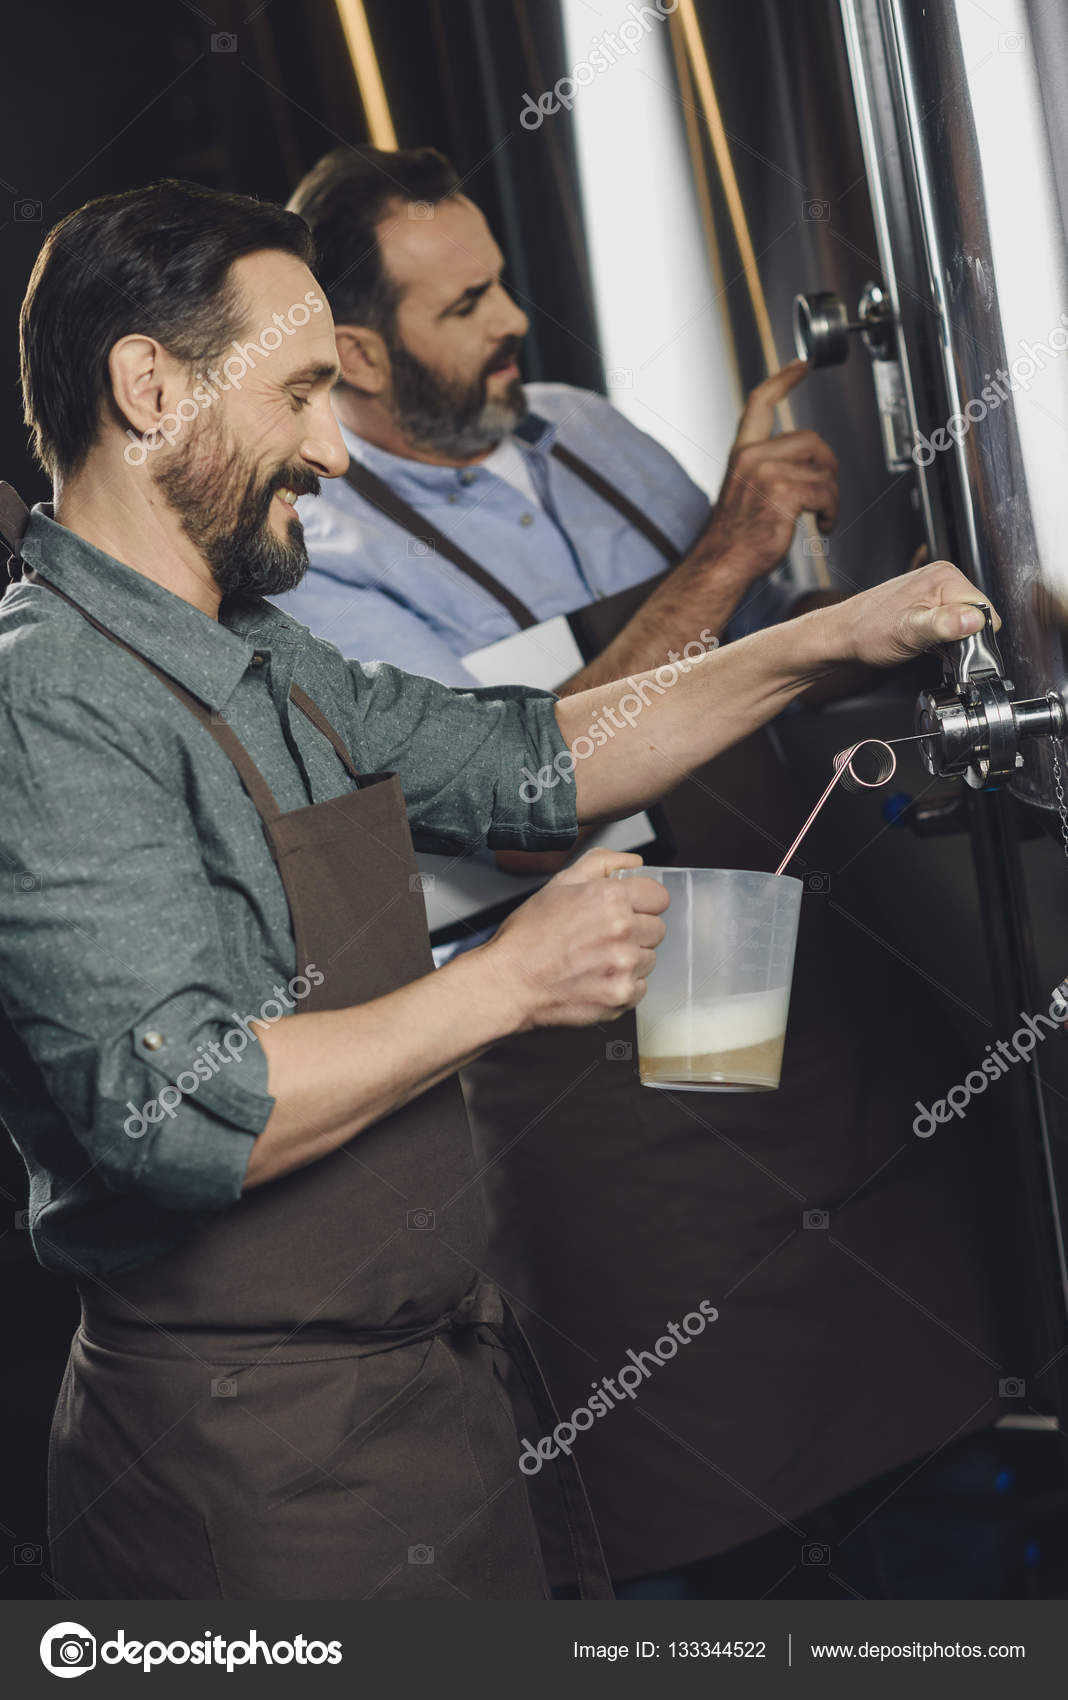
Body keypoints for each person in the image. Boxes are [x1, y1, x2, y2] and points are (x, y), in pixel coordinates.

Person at [272, 145, 1010, 1599]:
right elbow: (519, 805)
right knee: (705, 1480)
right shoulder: (321, 559)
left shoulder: (588, 432)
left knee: (916, 1399)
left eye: (500, 281)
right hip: (588, 1053)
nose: (511, 323)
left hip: (774, 966)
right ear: (352, 350)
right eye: (464, 302)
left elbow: (765, 671)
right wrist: (730, 552)